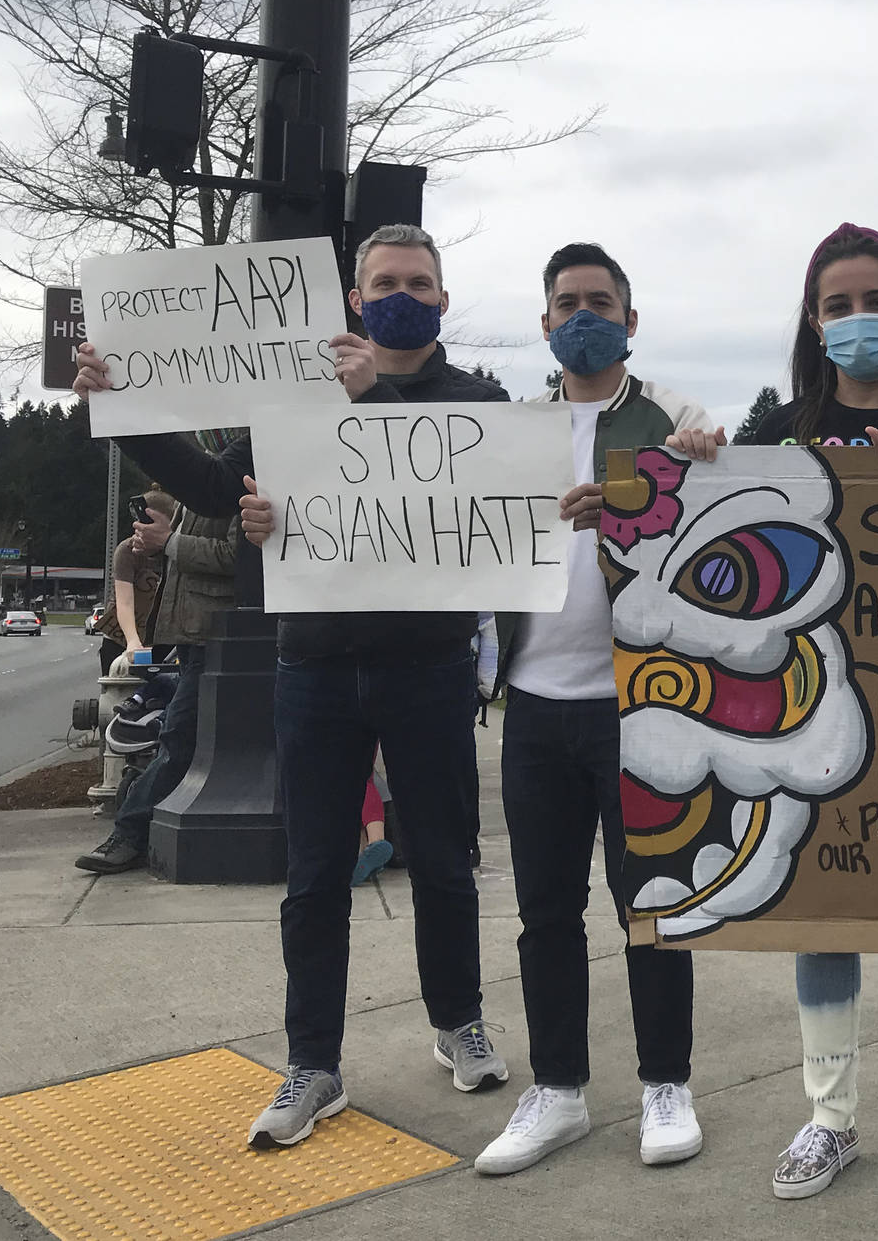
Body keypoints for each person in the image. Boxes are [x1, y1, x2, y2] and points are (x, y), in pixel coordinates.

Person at [74, 223, 511, 1149]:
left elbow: (483, 506)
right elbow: (204, 478)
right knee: (313, 872)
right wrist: (118, 407)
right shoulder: (292, 394)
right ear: (356, 296)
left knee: (443, 861)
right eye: (386, 280)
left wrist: (375, 400)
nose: (403, 293)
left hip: (429, 665)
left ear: (443, 296)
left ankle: (457, 1020)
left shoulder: (480, 400)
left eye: (420, 282)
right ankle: (313, 1060)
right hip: (311, 664)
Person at [705, 222, 878, 1200]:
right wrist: (699, 461)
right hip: (811, 707)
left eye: (875, 301)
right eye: (837, 306)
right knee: (820, 909)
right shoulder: (780, 436)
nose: (858, 319)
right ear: (812, 323)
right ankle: (829, 1119)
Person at [469, 242, 717, 1177]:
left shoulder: (671, 416)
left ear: (630, 318)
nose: (584, 314)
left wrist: (697, 459)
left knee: (650, 903)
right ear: (543, 322)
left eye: (601, 300)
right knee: (545, 911)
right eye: (567, 301)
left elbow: (713, 516)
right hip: (535, 704)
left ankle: (667, 1084)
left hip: (639, 705)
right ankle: (560, 1089)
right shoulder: (511, 430)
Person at [76, 483, 241, 874]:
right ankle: (139, 822)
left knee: (178, 737)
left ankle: (130, 833)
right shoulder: (203, 489)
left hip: (212, 635)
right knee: (181, 737)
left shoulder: (232, 484)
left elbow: (234, 556)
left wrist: (168, 541)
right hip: (194, 635)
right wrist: (161, 546)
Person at [89, 490, 175, 672]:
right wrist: (132, 640)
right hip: (121, 636)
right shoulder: (127, 551)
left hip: (162, 638)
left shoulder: (178, 549)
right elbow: (124, 602)